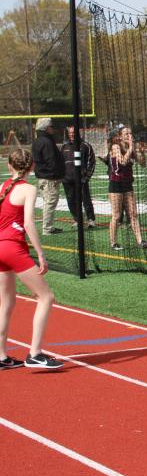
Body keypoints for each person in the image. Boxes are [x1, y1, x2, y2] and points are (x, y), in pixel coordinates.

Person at [0, 149, 63, 369]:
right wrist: (41, 254)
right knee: (46, 297)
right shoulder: (28, 189)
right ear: (32, 167)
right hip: (12, 248)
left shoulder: (3, 186)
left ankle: (1, 356)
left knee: (6, 302)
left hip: (0, 247)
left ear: (10, 166)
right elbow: (28, 223)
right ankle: (35, 353)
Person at [107, 127, 147, 250]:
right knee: (117, 215)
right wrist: (131, 148)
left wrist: (141, 152)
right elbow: (122, 162)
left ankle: (140, 241)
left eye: (130, 133)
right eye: (126, 133)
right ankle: (113, 243)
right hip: (116, 185)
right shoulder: (116, 147)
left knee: (133, 214)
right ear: (120, 136)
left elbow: (143, 164)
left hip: (127, 184)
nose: (129, 135)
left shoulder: (131, 148)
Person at [30, 118, 63, 235]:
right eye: (51, 126)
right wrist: (56, 174)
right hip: (49, 177)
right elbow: (51, 161)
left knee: (48, 201)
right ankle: (47, 228)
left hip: (43, 176)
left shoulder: (37, 141)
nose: (52, 128)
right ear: (46, 128)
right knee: (50, 202)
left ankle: (48, 226)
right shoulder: (46, 142)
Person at [60, 126, 97, 229]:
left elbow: (91, 162)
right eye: (70, 133)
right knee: (71, 201)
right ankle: (77, 220)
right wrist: (62, 177)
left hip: (81, 180)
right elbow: (60, 163)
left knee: (86, 200)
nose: (72, 134)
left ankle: (91, 219)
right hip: (67, 180)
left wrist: (87, 176)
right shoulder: (64, 147)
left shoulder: (86, 146)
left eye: (73, 132)